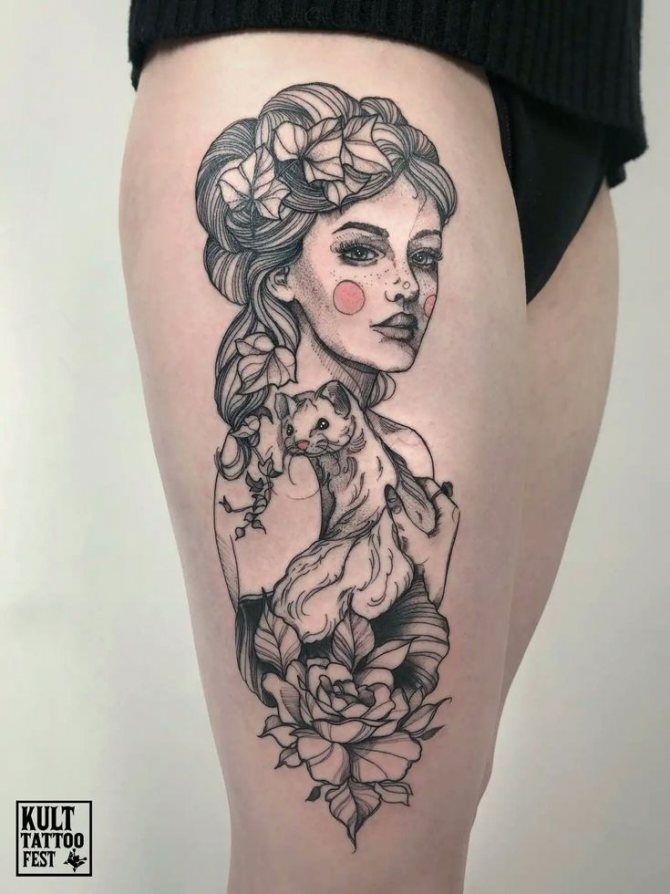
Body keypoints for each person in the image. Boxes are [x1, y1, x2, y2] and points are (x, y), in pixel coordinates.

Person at [120, 3, 646, 891]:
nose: (406, 287)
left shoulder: (400, 457)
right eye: (362, 254)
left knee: (432, 831)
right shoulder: (277, 460)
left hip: (576, 83)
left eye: (423, 258)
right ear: (281, 272)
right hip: (318, 26)